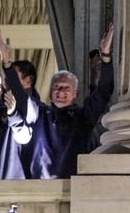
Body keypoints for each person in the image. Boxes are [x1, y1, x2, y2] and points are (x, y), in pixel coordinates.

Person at [7, 23, 116, 179]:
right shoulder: (40, 113)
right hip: (38, 187)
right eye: (56, 87)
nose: (60, 91)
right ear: (50, 93)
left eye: (66, 88)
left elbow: (104, 91)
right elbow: (22, 98)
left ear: (75, 94)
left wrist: (106, 57)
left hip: (74, 186)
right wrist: (8, 67)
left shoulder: (83, 117)